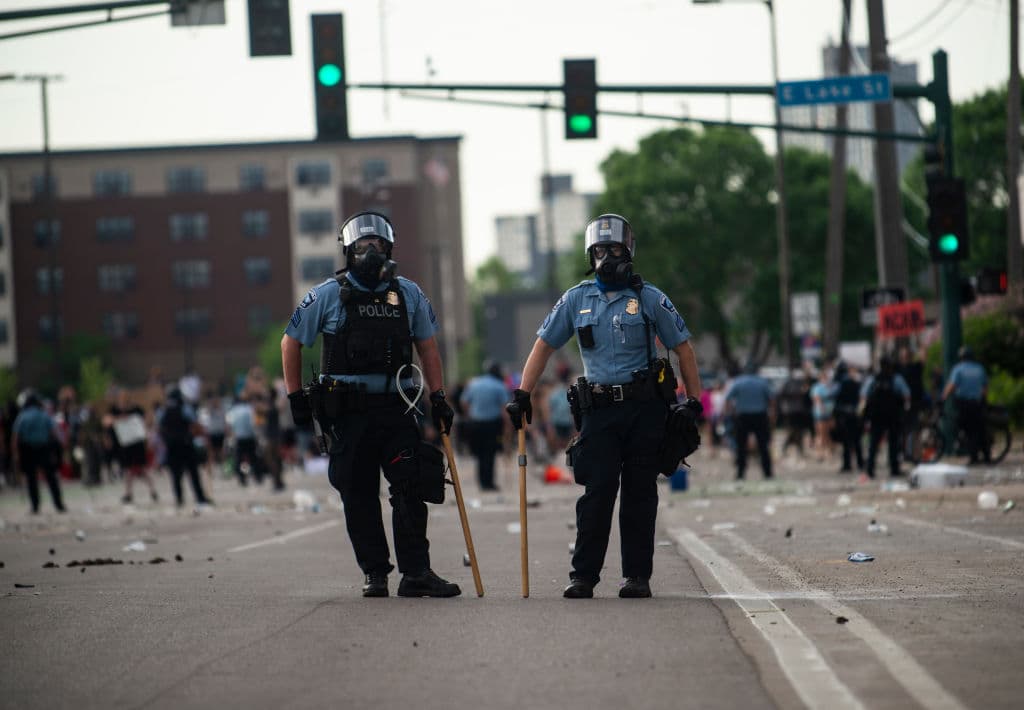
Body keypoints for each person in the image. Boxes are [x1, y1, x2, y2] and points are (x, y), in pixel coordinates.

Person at [505, 214, 701, 599]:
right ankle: (583, 576)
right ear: (589, 255)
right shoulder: (576, 299)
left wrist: (693, 401)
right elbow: (544, 344)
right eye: (599, 250)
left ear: (629, 252)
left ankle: (636, 576)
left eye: (614, 250)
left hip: (645, 410)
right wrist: (522, 394)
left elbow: (684, 348)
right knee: (597, 493)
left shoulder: (649, 297)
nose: (607, 257)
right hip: (598, 412)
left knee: (640, 494)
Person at [281, 211, 461, 599]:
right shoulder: (328, 293)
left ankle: (416, 573)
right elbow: (290, 340)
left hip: (397, 408)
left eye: (378, 244)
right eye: (362, 245)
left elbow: (428, 347)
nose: (371, 250)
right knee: (358, 492)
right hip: (347, 413)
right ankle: (375, 573)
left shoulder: (408, 293)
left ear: (389, 249)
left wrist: (438, 396)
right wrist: (295, 397)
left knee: (411, 488)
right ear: (348, 250)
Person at [11, 390, 66, 514]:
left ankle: (35, 506)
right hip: (43, 448)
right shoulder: (44, 414)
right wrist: (60, 445)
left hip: (28, 450)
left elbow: (16, 436)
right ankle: (58, 504)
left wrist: (16, 454)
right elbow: (54, 431)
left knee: (31, 479)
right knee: (51, 478)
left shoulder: (22, 416)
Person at [158, 388, 213, 507]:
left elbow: (160, 429)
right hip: (186, 445)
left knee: (176, 475)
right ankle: (200, 498)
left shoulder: (164, 411)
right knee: (193, 473)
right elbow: (194, 424)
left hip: (171, 447)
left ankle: (179, 499)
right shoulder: (185, 408)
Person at [460, 361, 509, 491]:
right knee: (490, 453)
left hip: (475, 423)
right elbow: (505, 409)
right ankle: (489, 483)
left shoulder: (474, 383)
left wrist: (470, 414)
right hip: (492, 425)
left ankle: (482, 482)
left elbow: (464, 402)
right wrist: (507, 428)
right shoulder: (500, 386)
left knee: (479, 454)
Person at [860, 356, 911, 480]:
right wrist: (905, 409)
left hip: (876, 416)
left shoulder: (873, 379)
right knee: (894, 443)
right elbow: (906, 394)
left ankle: (870, 469)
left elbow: (863, 396)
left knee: (874, 443)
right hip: (892, 415)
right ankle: (894, 468)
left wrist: (863, 414)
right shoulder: (896, 379)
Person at [724, 364, 775, 480]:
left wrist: (729, 414)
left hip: (742, 417)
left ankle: (740, 473)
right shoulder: (762, 382)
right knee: (763, 445)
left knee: (741, 446)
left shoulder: (738, 382)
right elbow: (772, 399)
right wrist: (772, 415)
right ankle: (767, 473)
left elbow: (728, 399)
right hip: (760, 416)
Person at [941, 346, 989, 464]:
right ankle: (987, 455)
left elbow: (952, 385)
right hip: (977, 403)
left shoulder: (959, 369)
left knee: (967, 429)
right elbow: (985, 388)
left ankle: (973, 457)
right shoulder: (979, 368)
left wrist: (943, 397)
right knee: (979, 429)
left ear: (961, 358)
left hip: (963, 403)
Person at [111, 390, 158, 504]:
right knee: (128, 470)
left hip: (137, 443)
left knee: (141, 469)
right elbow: (107, 421)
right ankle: (129, 493)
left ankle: (151, 490)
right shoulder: (115, 410)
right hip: (125, 444)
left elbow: (147, 419)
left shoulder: (136, 409)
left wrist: (145, 431)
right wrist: (119, 420)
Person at [832, 361, 864, 473]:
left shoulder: (839, 383)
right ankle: (860, 462)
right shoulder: (856, 383)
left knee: (846, 441)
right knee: (856, 440)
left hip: (844, 415)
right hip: (854, 414)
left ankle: (847, 464)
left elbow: (834, 397)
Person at [810, 367, 836, 461]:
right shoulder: (817, 387)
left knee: (827, 434)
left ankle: (827, 452)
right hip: (821, 413)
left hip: (828, 413)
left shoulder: (829, 387)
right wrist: (823, 410)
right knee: (821, 434)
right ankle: (820, 453)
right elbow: (817, 400)